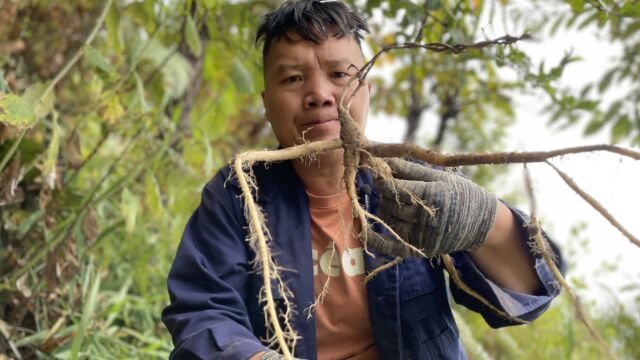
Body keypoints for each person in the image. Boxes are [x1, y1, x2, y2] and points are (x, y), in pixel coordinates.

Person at [162, 1, 564, 359]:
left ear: (366, 91)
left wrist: (484, 220)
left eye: (339, 74)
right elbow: (203, 311)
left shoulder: (420, 186)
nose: (320, 94)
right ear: (267, 104)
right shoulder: (238, 193)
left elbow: (532, 288)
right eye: (292, 79)